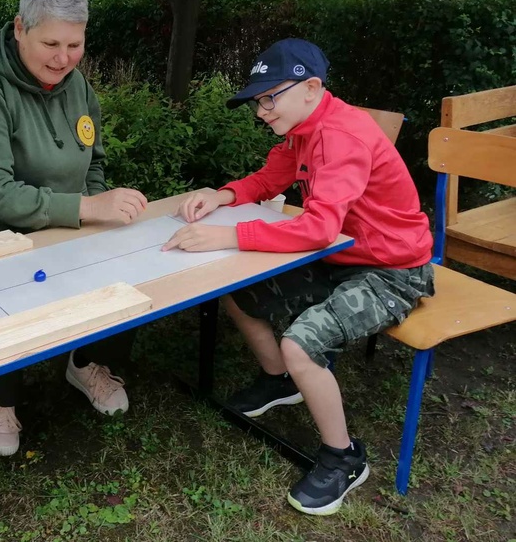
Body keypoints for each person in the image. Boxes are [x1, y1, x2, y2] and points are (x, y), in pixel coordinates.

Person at [163, 38, 435, 516]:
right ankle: (280, 381)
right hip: (343, 257)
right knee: (239, 292)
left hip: (393, 271)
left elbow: (318, 228)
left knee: (302, 343)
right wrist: (222, 195)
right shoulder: (303, 127)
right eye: (258, 100)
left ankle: (344, 457)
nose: (262, 110)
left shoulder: (341, 136)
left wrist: (227, 237)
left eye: (270, 97)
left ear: (312, 87)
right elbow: (270, 181)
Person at [0, 0, 148, 457]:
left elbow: (93, 159)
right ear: (19, 29)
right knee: (6, 313)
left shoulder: (78, 85)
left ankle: (84, 362)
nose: (63, 57)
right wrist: (88, 208)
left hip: (59, 224)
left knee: (129, 272)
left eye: (74, 44)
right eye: (50, 42)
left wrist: (97, 218)